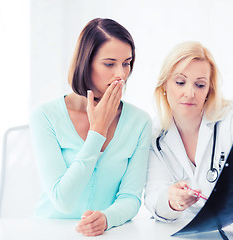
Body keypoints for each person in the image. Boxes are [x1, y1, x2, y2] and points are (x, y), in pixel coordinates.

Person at [30, 18, 151, 236]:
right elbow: (62, 200)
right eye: (109, 63)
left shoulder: (139, 121)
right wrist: (97, 132)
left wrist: (107, 218)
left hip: (107, 233)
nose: (121, 75)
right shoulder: (45, 116)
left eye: (126, 63)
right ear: (85, 63)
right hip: (48, 232)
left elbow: (131, 197)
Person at [144, 41, 233, 232]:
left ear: (209, 89)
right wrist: (172, 201)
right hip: (182, 230)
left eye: (200, 85)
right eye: (180, 82)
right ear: (165, 83)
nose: (190, 93)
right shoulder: (155, 135)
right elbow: (153, 197)